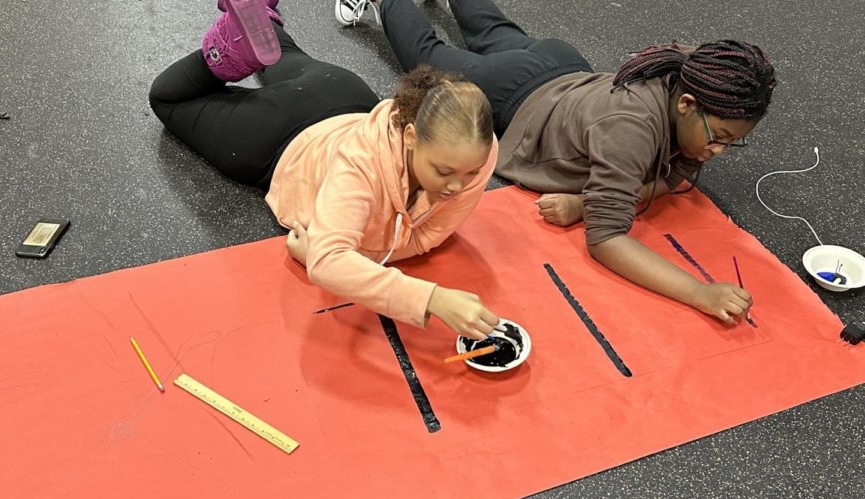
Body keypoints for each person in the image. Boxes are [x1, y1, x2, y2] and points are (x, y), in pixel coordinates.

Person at [337, 0, 777, 325]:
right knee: (427, 54)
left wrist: (583, 202)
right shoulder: (631, 129)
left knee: (492, 29)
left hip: (562, 65)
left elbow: (673, 174)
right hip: (516, 93)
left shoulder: (693, 76)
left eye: (731, 143)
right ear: (684, 103)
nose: (717, 151)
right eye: (718, 138)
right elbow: (607, 239)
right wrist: (698, 292)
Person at [149, 0, 501, 339]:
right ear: (410, 137)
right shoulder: (361, 166)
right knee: (167, 98)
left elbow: (427, 237)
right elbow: (329, 262)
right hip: (278, 136)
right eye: (443, 171)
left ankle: (258, 17)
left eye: (470, 175)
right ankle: (223, 52)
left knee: (280, 56)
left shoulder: (474, 151)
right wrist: (432, 298)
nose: (459, 186)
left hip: (342, 92)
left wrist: (347, 253)